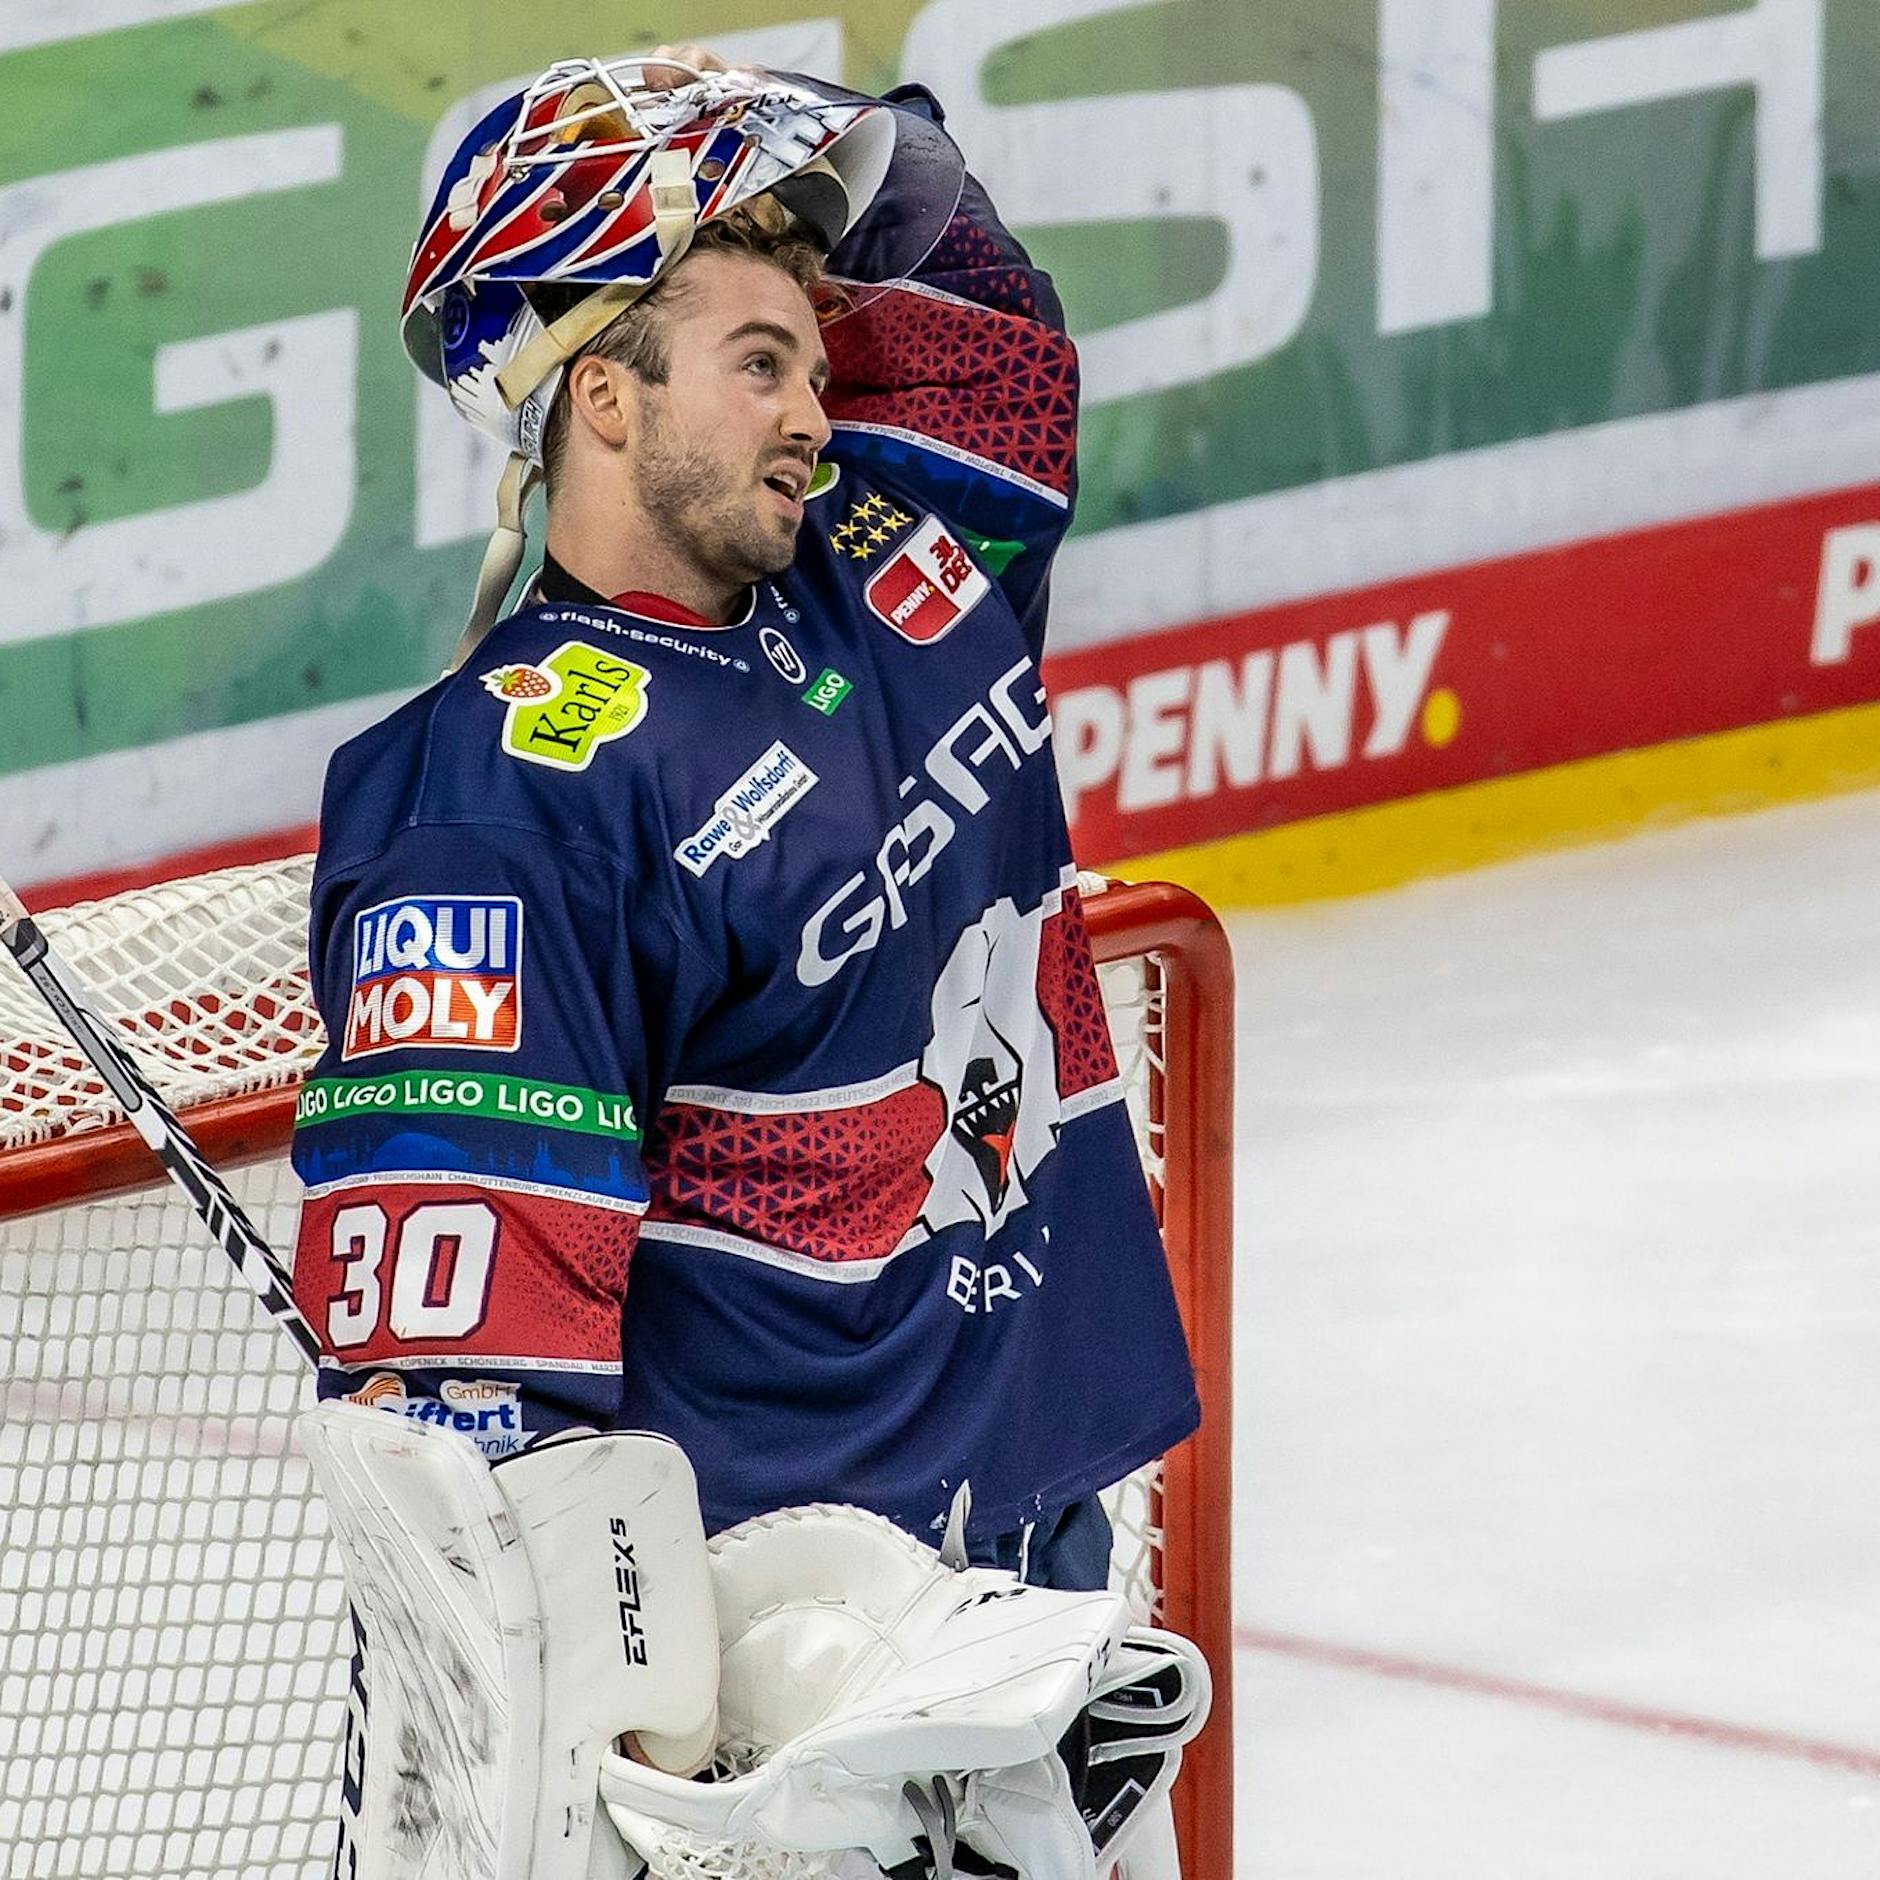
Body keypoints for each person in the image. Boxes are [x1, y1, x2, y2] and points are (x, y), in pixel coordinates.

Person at [289, 47, 1199, 1595]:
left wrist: (723, 128)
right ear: (605, 397)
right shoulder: (500, 800)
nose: (814, 411)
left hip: (1039, 1558)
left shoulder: (890, 554)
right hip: (782, 1651)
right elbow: (477, 1401)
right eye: (761, 365)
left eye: (822, 371)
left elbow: (997, 328)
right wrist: (624, 1710)